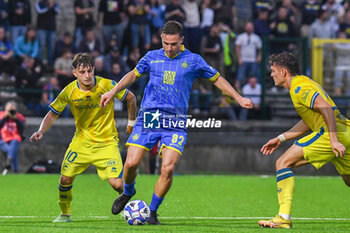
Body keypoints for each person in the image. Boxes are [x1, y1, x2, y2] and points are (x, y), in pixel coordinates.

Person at [99, 20, 252, 225]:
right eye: (165, 43)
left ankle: (152, 211)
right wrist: (112, 91)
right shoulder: (152, 57)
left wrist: (238, 97)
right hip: (150, 117)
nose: (169, 48)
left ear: (181, 40)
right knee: (131, 162)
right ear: (161, 40)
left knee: (168, 168)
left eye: (173, 44)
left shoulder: (194, 60)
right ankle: (127, 192)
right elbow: (132, 75)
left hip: (175, 121)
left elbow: (216, 79)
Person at [30, 53, 137, 223]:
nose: (87, 75)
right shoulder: (69, 91)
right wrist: (41, 130)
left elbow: (131, 98)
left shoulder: (106, 85)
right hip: (81, 142)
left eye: (89, 71)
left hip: (107, 142)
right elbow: (53, 113)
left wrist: (132, 123)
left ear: (94, 69)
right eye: (82, 72)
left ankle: (130, 204)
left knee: (117, 184)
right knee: (65, 179)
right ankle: (65, 214)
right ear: (74, 73)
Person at [258, 52, 350, 229]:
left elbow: (326, 108)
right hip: (345, 131)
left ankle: (283, 217)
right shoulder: (303, 83)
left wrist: (333, 140)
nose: (271, 74)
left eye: (273, 70)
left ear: (283, 72)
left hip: (329, 134)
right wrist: (281, 138)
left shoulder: (299, 88)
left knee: (283, 162)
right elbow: (310, 120)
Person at [0, 101, 25, 175]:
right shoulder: (1, 115)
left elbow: (22, 129)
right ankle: (15, 170)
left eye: (12, 110)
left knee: (14, 144)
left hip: (15, 139)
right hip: (3, 140)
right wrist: (5, 118)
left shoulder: (19, 116)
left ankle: (8, 165)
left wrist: (16, 119)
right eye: (9, 110)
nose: (11, 112)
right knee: (13, 150)